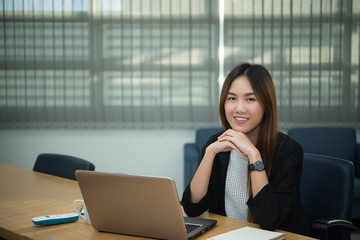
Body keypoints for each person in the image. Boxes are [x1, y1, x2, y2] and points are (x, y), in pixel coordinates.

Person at [181, 63, 310, 236]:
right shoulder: (217, 144)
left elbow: (268, 220)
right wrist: (210, 153)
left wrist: (253, 155)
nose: (239, 108)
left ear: (266, 105)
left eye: (250, 99)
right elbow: (191, 208)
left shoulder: (288, 151)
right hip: (228, 235)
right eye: (232, 98)